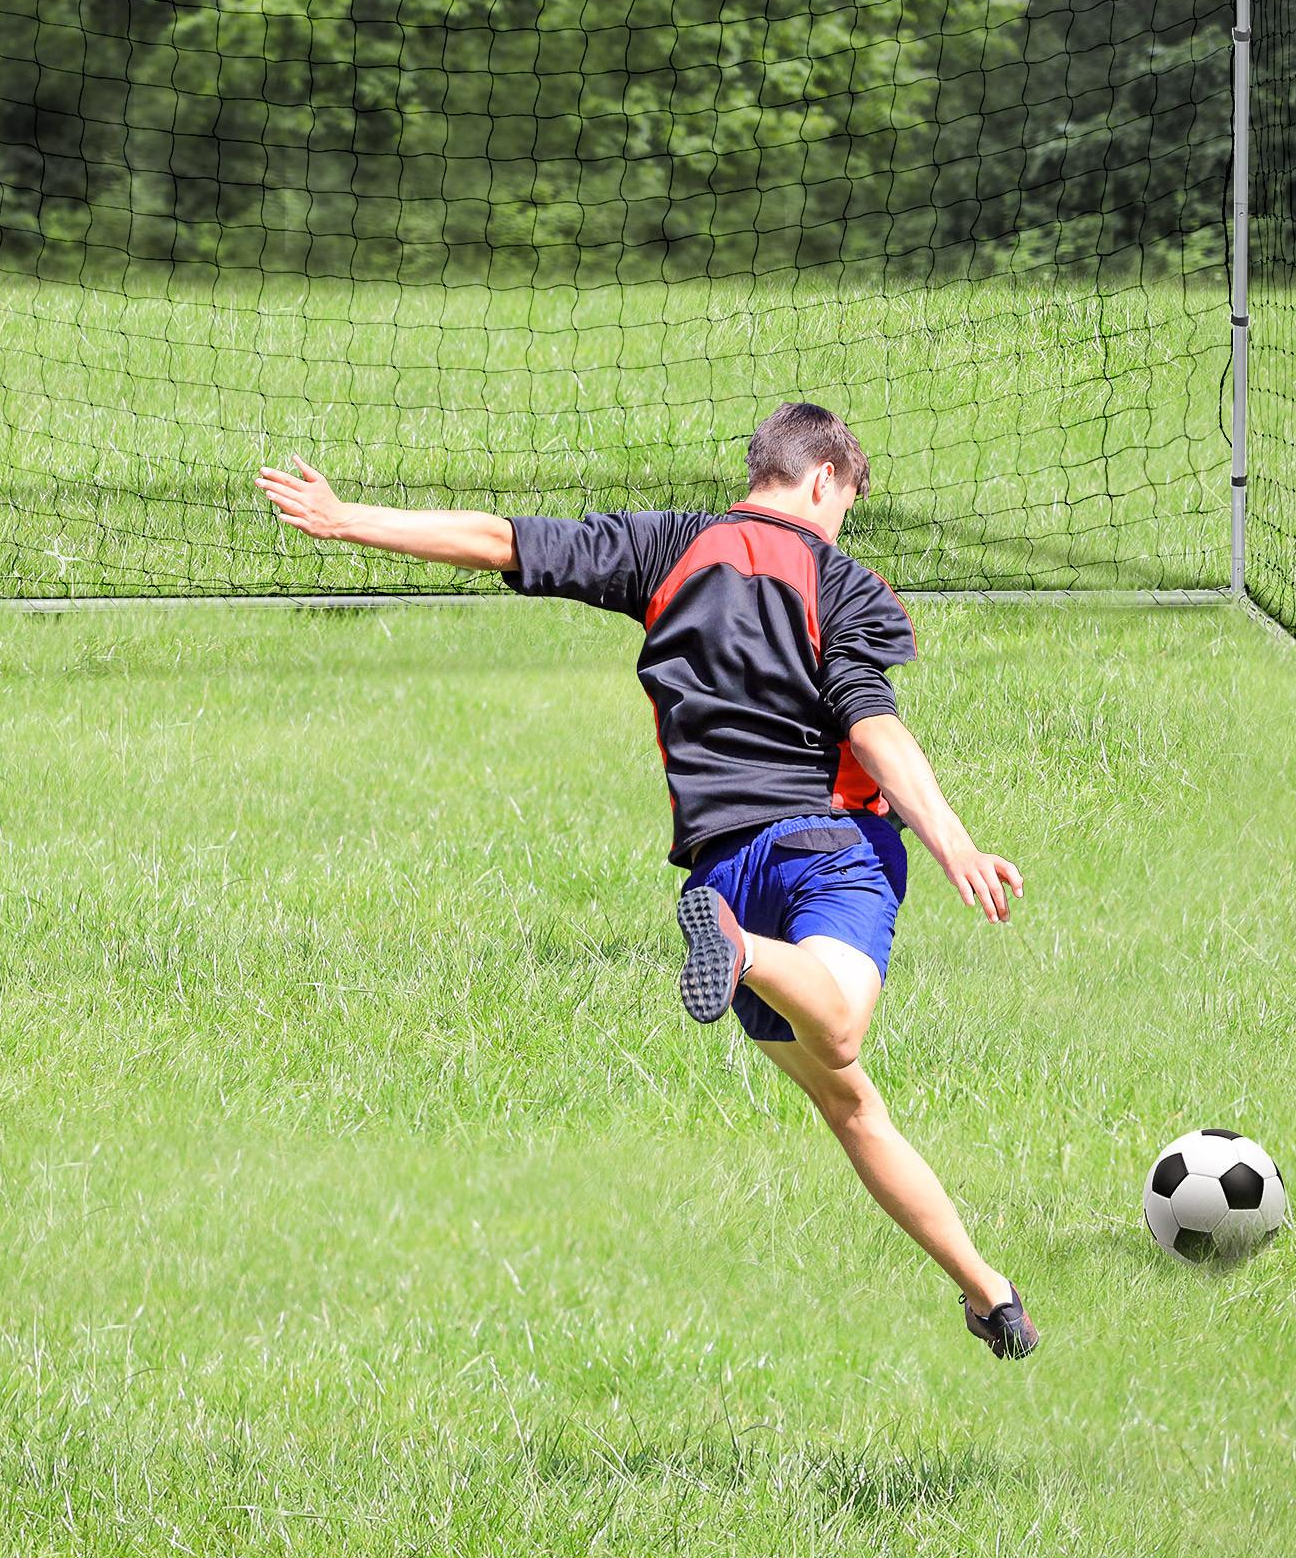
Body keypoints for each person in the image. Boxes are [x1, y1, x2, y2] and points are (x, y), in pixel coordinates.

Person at [256, 402, 1036, 1359]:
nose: (843, 522)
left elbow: (503, 541)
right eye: (848, 502)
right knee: (840, 1022)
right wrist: (953, 838)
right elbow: (869, 720)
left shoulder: (667, 546)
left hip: (724, 866)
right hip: (827, 851)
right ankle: (744, 953)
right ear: (825, 477)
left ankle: (984, 1289)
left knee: (849, 1100)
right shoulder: (843, 582)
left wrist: (350, 520)